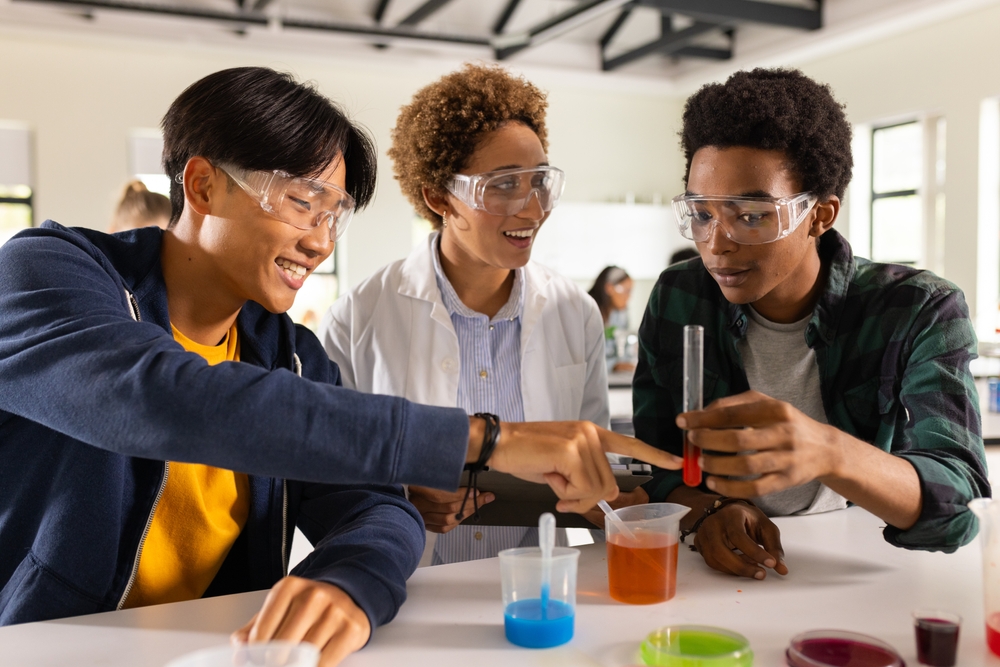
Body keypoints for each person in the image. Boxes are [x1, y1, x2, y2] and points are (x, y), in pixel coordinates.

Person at [0, 66, 681, 664]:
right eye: (303, 203)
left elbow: (378, 505)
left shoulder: (292, 354)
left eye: (336, 214)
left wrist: (347, 582)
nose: (321, 242)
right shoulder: (46, 272)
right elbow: (166, 400)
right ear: (203, 185)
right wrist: (483, 438)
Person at [591, 68, 990, 581]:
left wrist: (827, 451)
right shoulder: (680, 296)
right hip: (714, 574)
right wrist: (709, 510)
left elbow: (959, 505)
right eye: (702, 214)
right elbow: (658, 463)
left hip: (860, 567)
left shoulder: (918, 309)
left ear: (820, 215)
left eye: (751, 215)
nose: (717, 244)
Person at [321, 64, 609, 565]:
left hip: (541, 578)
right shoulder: (358, 317)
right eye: (504, 185)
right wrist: (402, 498)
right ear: (439, 198)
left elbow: (594, 456)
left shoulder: (575, 312)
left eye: (540, 181)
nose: (533, 209)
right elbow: (328, 472)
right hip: (412, 581)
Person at [587, 265, 635, 373]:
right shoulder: (588, 313)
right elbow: (585, 357)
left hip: (611, 376)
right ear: (609, 288)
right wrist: (613, 365)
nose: (629, 297)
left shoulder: (621, 315)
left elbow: (624, 349)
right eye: (626, 291)